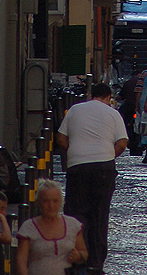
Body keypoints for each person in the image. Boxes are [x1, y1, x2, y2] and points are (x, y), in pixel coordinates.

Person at [56, 83, 128, 275]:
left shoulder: (74, 110)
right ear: (108, 97)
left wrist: (75, 151)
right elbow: (122, 143)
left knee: (76, 213)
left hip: (78, 165)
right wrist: (107, 154)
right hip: (103, 166)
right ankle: (96, 263)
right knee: (99, 214)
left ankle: (78, 258)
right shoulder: (113, 113)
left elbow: (61, 139)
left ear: (91, 95)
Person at [16, 179, 87, 275]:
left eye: (55, 201)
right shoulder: (28, 228)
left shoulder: (73, 225)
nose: (51, 205)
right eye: (46, 201)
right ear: (38, 202)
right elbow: (21, 261)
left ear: (61, 201)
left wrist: (78, 256)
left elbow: (84, 252)